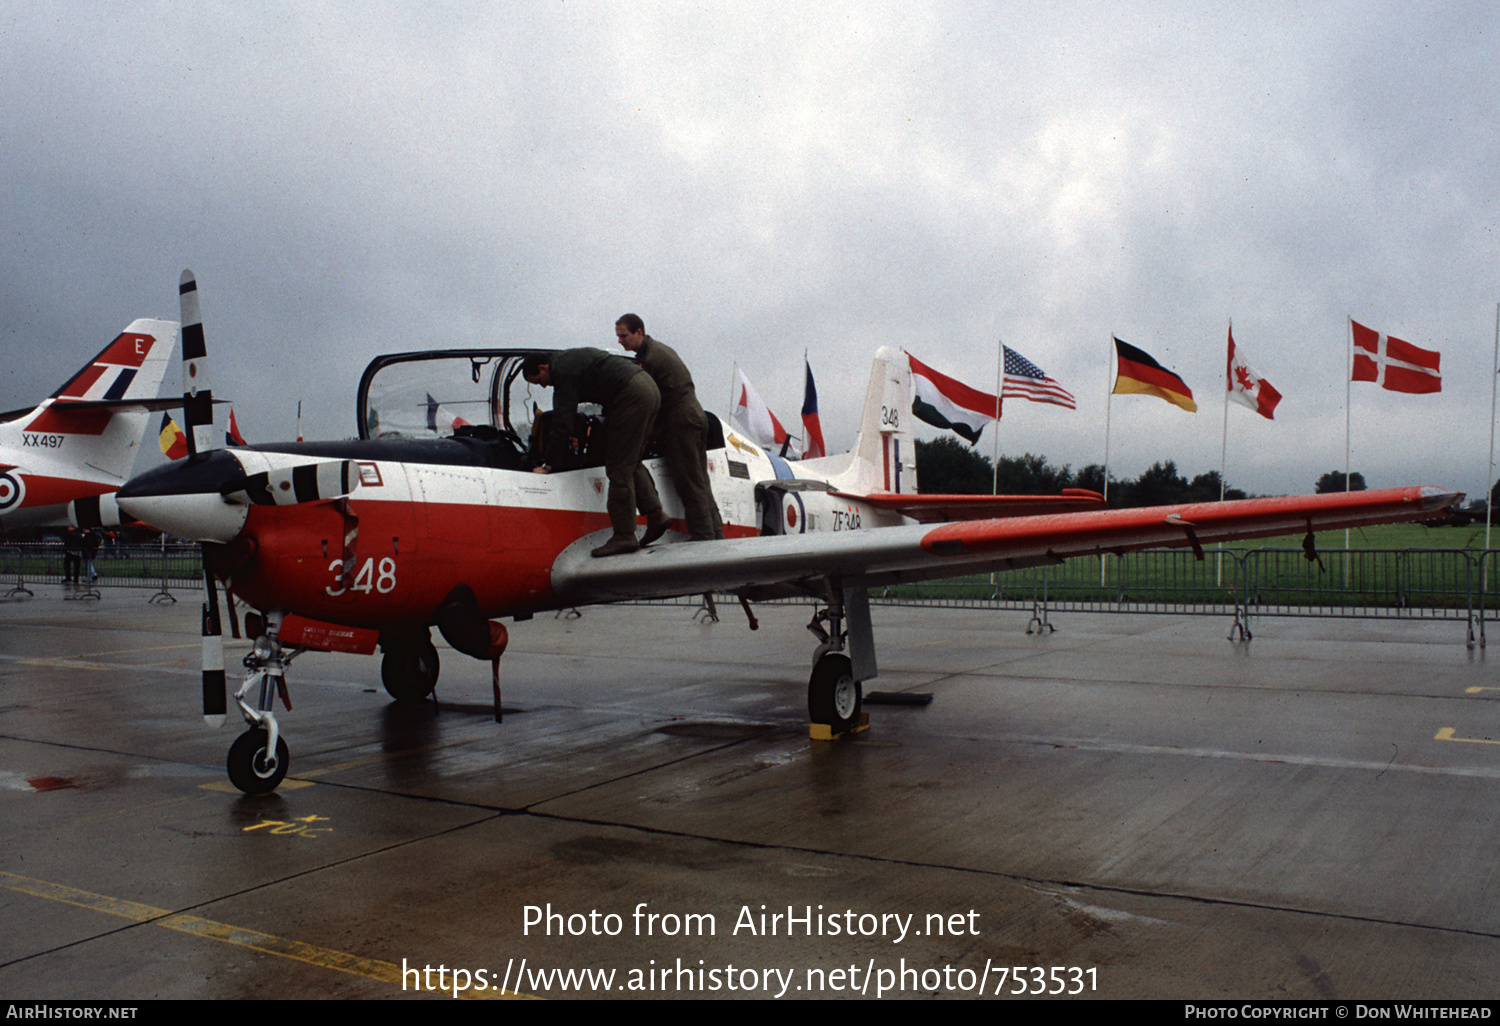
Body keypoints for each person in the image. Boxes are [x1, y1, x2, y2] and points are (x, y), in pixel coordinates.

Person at [521, 349, 669, 557]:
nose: (544, 385)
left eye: (539, 380)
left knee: (617, 465)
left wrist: (548, 465)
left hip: (632, 394)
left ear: (542, 368)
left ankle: (624, 535)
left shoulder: (562, 373)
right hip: (647, 389)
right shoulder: (568, 360)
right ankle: (656, 515)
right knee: (630, 459)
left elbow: (562, 422)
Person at [614, 314, 724, 541]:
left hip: (681, 420)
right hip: (693, 416)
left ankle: (704, 538)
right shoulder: (656, 351)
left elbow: (648, 400)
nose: (620, 341)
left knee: (689, 483)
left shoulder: (651, 359)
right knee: (700, 481)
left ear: (639, 332)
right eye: (618, 336)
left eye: (624, 336)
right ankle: (715, 536)